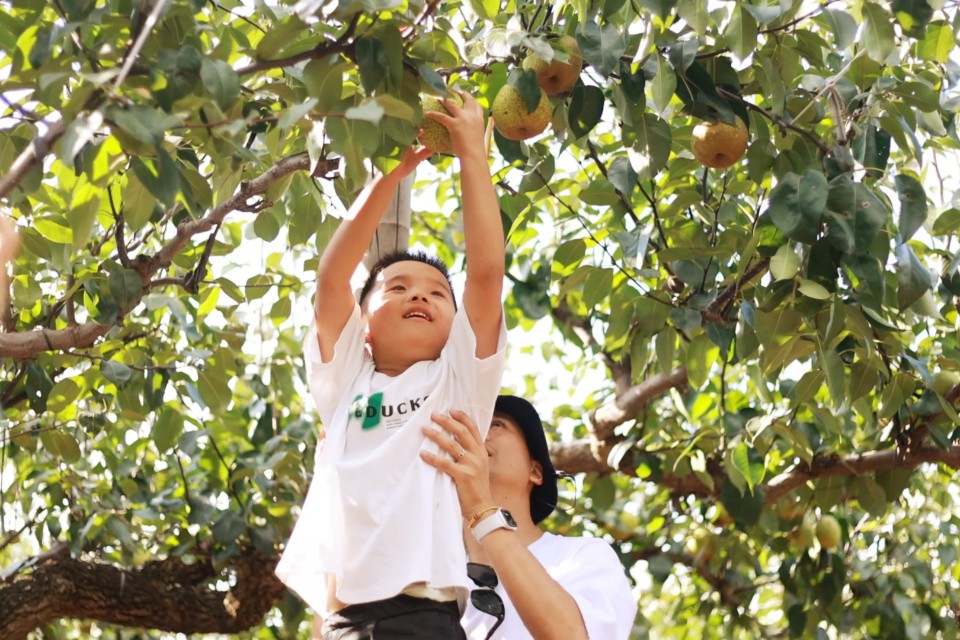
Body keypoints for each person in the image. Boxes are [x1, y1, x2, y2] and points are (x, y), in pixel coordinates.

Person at [276, 91, 507, 639]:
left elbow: (486, 274)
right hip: (344, 624)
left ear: (455, 326)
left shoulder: (457, 382)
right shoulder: (348, 381)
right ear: (365, 325)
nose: (418, 296)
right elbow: (332, 280)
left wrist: (472, 151)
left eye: (435, 293)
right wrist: (392, 172)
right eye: (397, 287)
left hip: (425, 617)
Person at [421, 395, 638, 639]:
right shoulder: (426, 574)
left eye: (496, 424)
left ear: (535, 472)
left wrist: (482, 511)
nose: (476, 433)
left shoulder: (582, 555)